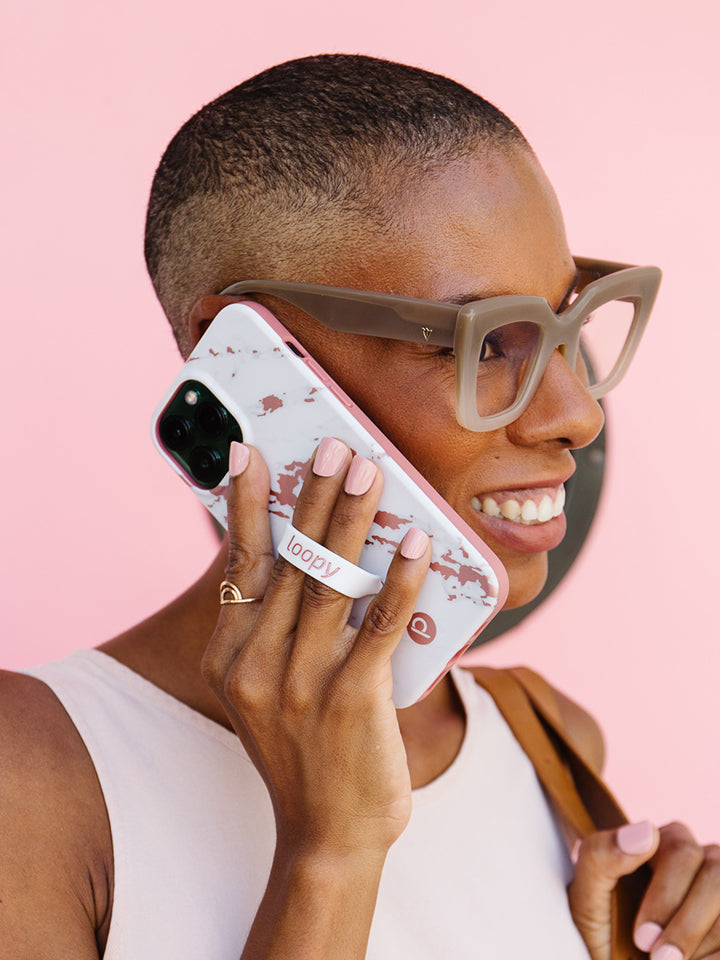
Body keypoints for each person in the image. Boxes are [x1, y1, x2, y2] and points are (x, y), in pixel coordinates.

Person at [1, 54, 717, 960]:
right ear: (244, 351)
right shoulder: (31, 776)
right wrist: (332, 852)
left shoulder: (547, 740)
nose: (576, 413)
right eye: (487, 343)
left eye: (566, 327)